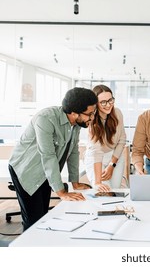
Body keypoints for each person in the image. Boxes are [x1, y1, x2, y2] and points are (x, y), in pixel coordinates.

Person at [8, 87, 98, 230]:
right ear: (74, 113)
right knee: (33, 221)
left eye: (94, 113)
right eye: (89, 114)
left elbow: (73, 151)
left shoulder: (76, 124)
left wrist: (75, 182)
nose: (92, 117)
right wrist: (62, 193)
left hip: (45, 171)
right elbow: (48, 155)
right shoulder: (46, 119)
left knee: (43, 217)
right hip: (27, 170)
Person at [84, 85, 127, 191]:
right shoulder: (91, 120)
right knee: (104, 190)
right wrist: (98, 182)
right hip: (96, 158)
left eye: (110, 100)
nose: (108, 105)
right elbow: (97, 152)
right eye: (103, 102)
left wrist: (112, 164)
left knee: (115, 190)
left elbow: (122, 140)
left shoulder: (117, 113)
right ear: (96, 104)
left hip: (115, 156)